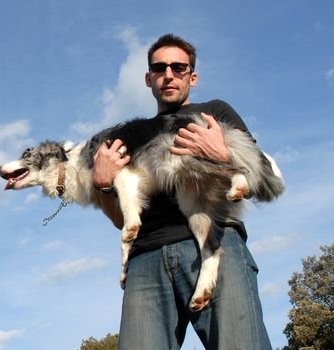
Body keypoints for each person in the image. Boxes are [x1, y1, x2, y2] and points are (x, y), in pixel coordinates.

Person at [92, 34, 273, 349]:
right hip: (145, 258)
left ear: (193, 75)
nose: (168, 75)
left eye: (178, 67)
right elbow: (122, 221)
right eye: (159, 68)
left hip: (216, 243)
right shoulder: (131, 136)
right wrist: (105, 184)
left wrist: (226, 156)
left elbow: (264, 178)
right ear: (148, 78)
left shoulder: (213, 112)